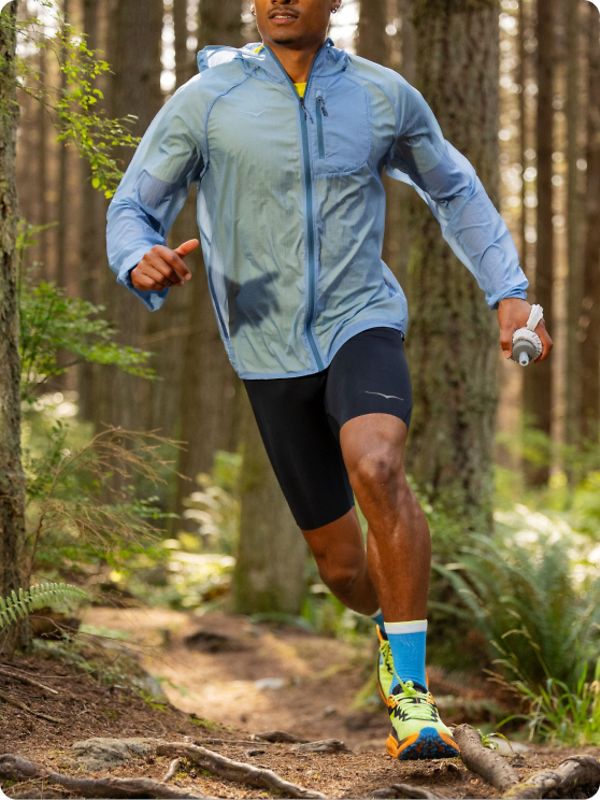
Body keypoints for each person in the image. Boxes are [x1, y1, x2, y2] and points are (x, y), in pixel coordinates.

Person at [106, 0, 553, 761]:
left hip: (360, 317)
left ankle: (411, 700)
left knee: (378, 465)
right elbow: (131, 208)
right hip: (264, 345)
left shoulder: (382, 96)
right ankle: (391, 628)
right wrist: (138, 259)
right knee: (343, 566)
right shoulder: (206, 101)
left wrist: (506, 290)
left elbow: (455, 189)